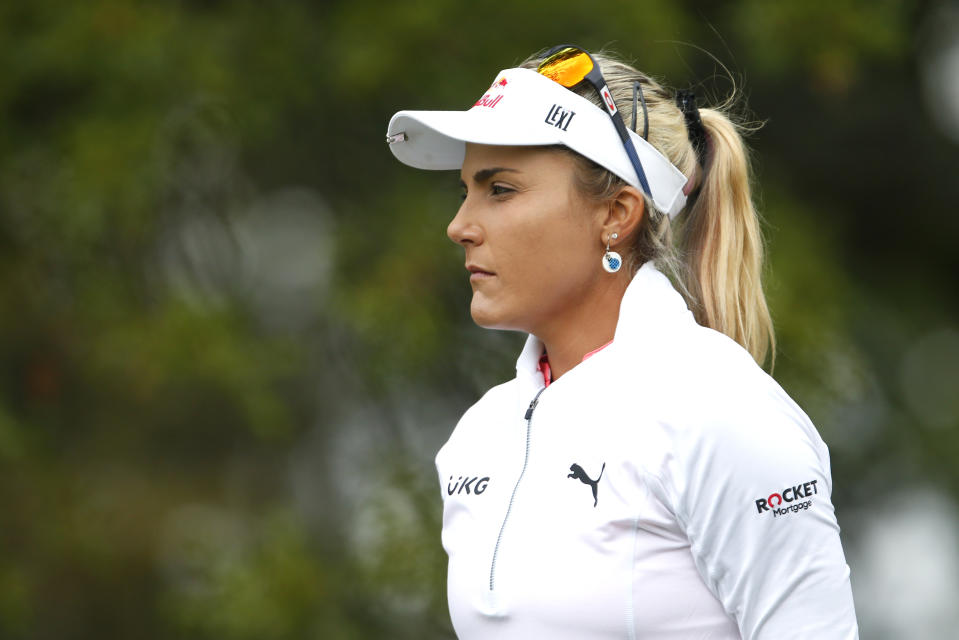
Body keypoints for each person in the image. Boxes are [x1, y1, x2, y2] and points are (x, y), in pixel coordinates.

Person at [385, 45, 858, 639]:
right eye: (465, 192)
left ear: (616, 212)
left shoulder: (717, 408)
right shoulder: (476, 437)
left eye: (500, 189)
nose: (460, 227)